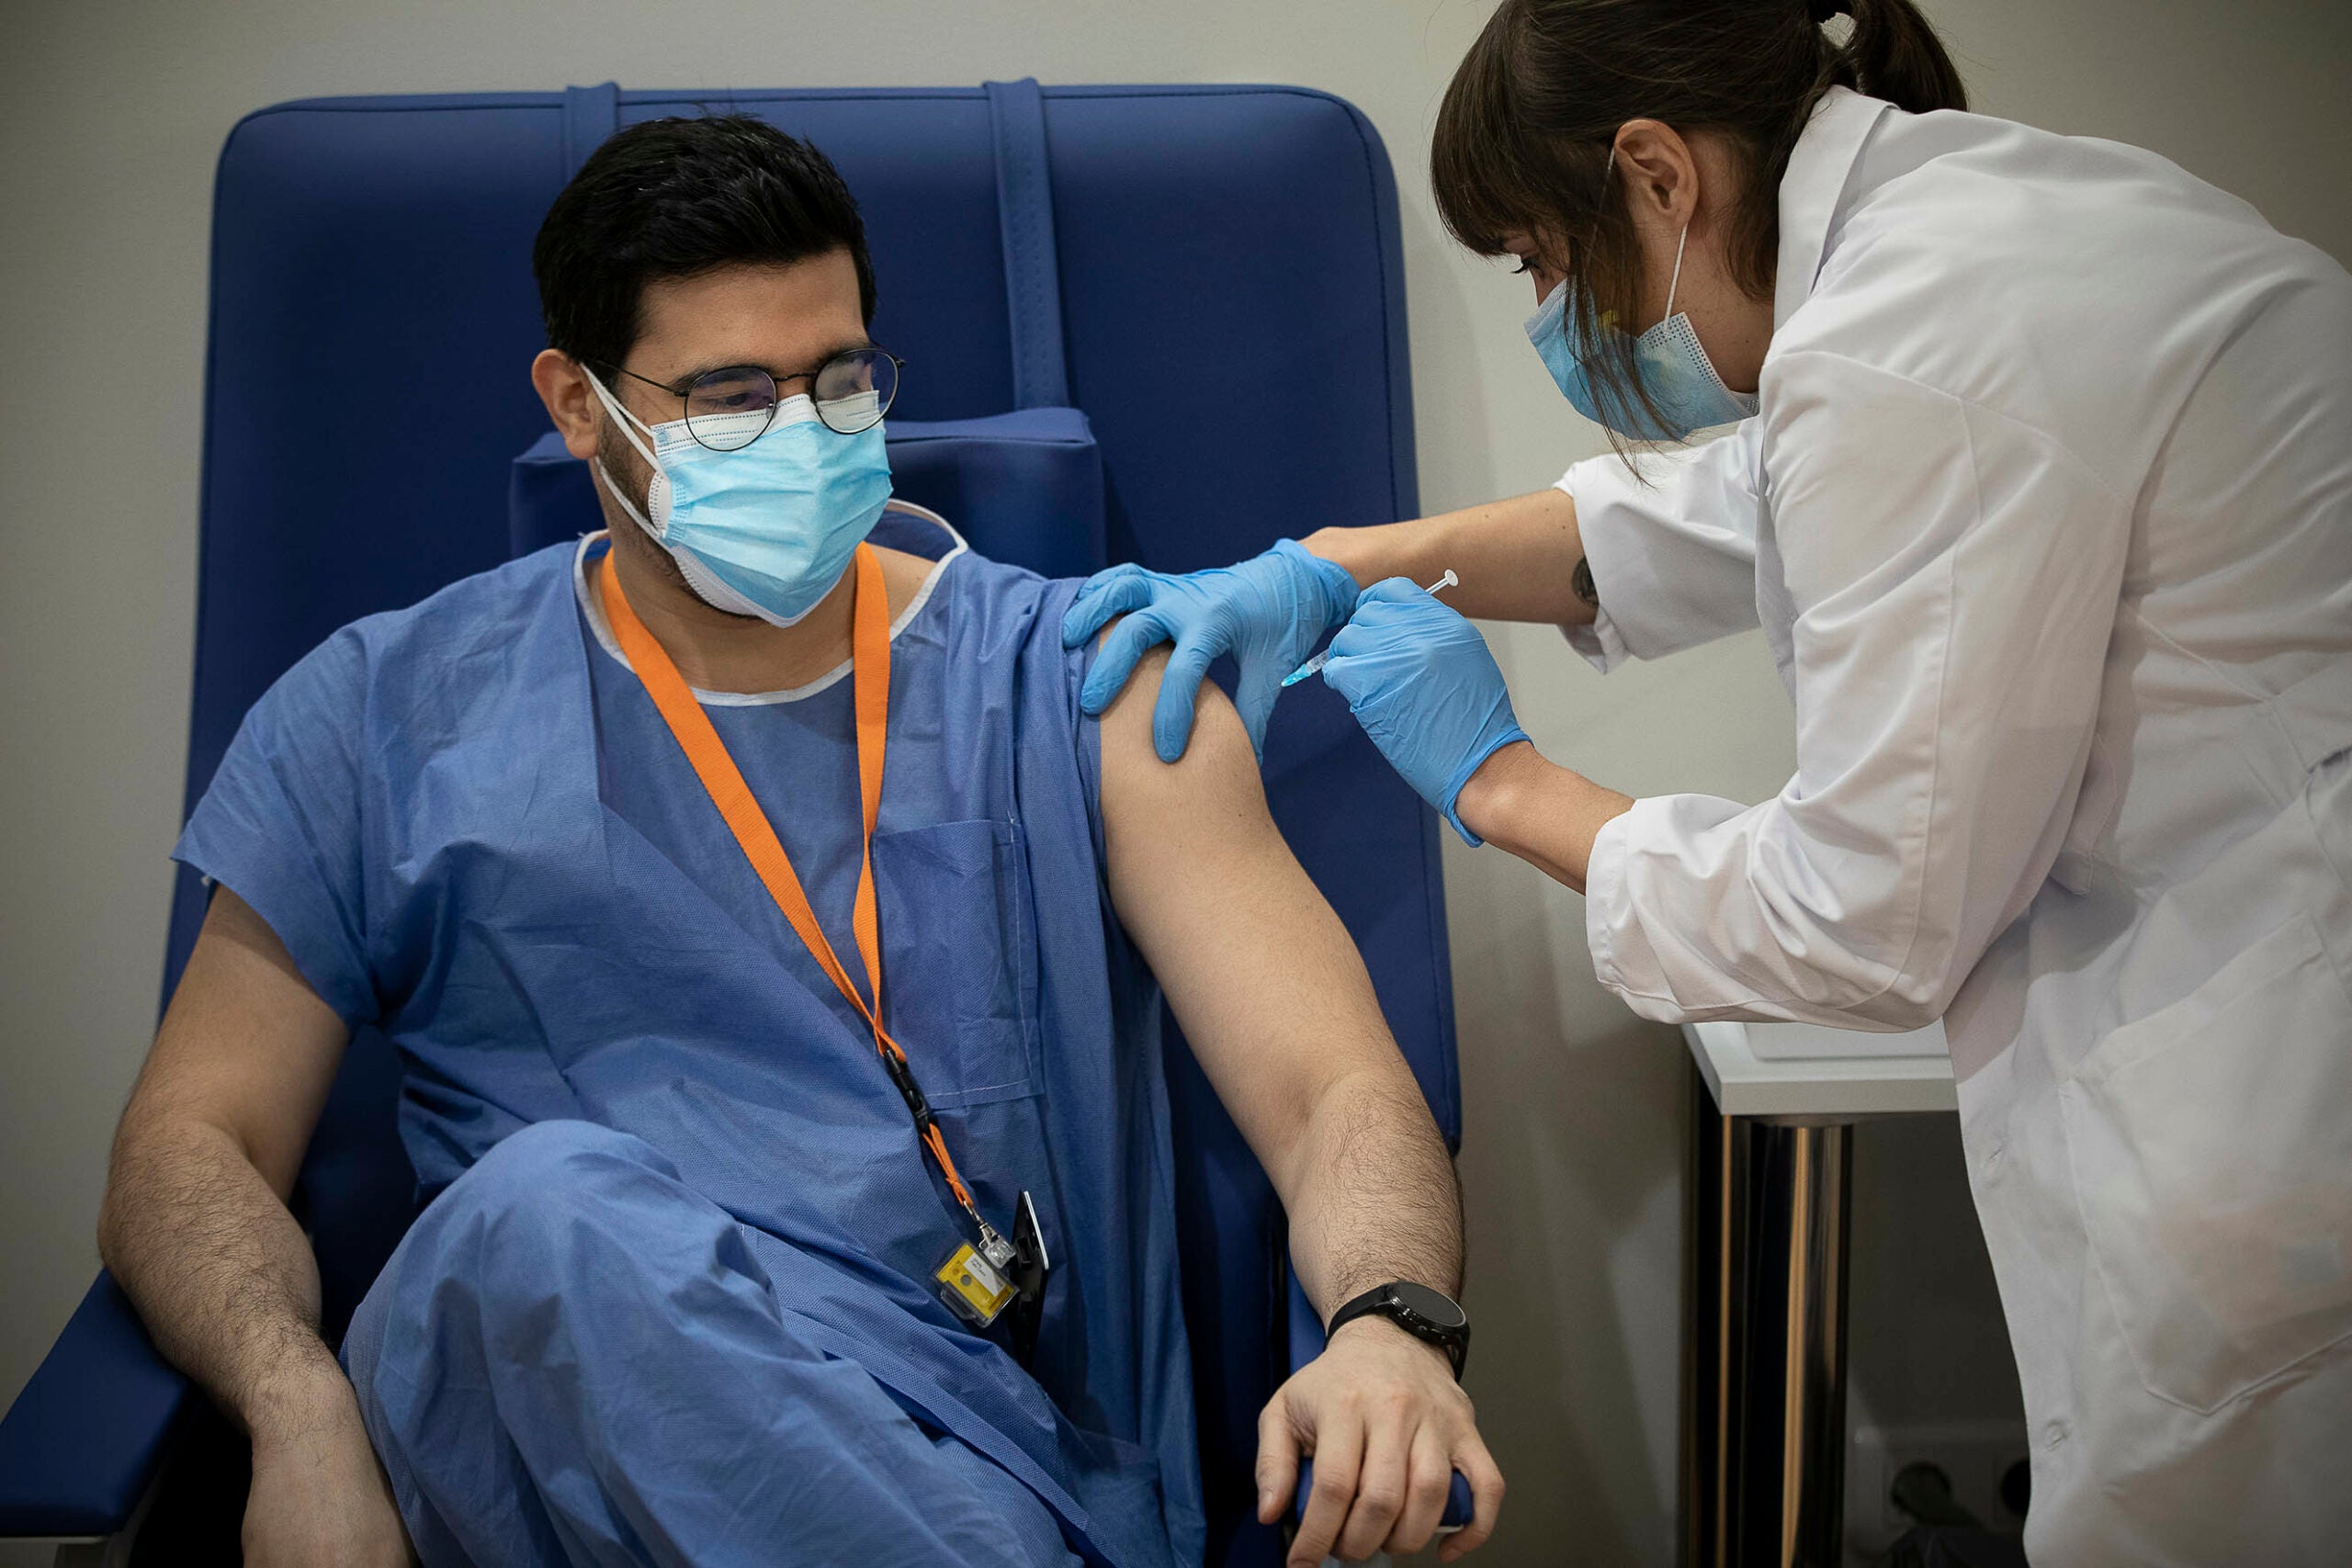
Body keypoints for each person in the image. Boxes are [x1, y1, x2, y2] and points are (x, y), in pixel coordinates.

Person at [96, 115, 1504, 1568]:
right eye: (727, 398)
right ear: (579, 407)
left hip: (983, 1467)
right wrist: (297, 1411)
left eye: (838, 380)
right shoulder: (382, 719)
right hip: (539, 1467)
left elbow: (1338, 1088)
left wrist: (1393, 1327)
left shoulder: (1086, 685)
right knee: (539, 1228)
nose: (803, 430)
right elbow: (187, 1145)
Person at [1066, 0, 2352, 1562]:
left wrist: (1501, 783)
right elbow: (1734, 510)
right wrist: (1342, 564)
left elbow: (1861, 925)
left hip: (2285, 1089)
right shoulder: (1981, 230)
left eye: (1541, 262)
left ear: (1659, 176)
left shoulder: (1914, 332)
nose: (1550, 312)